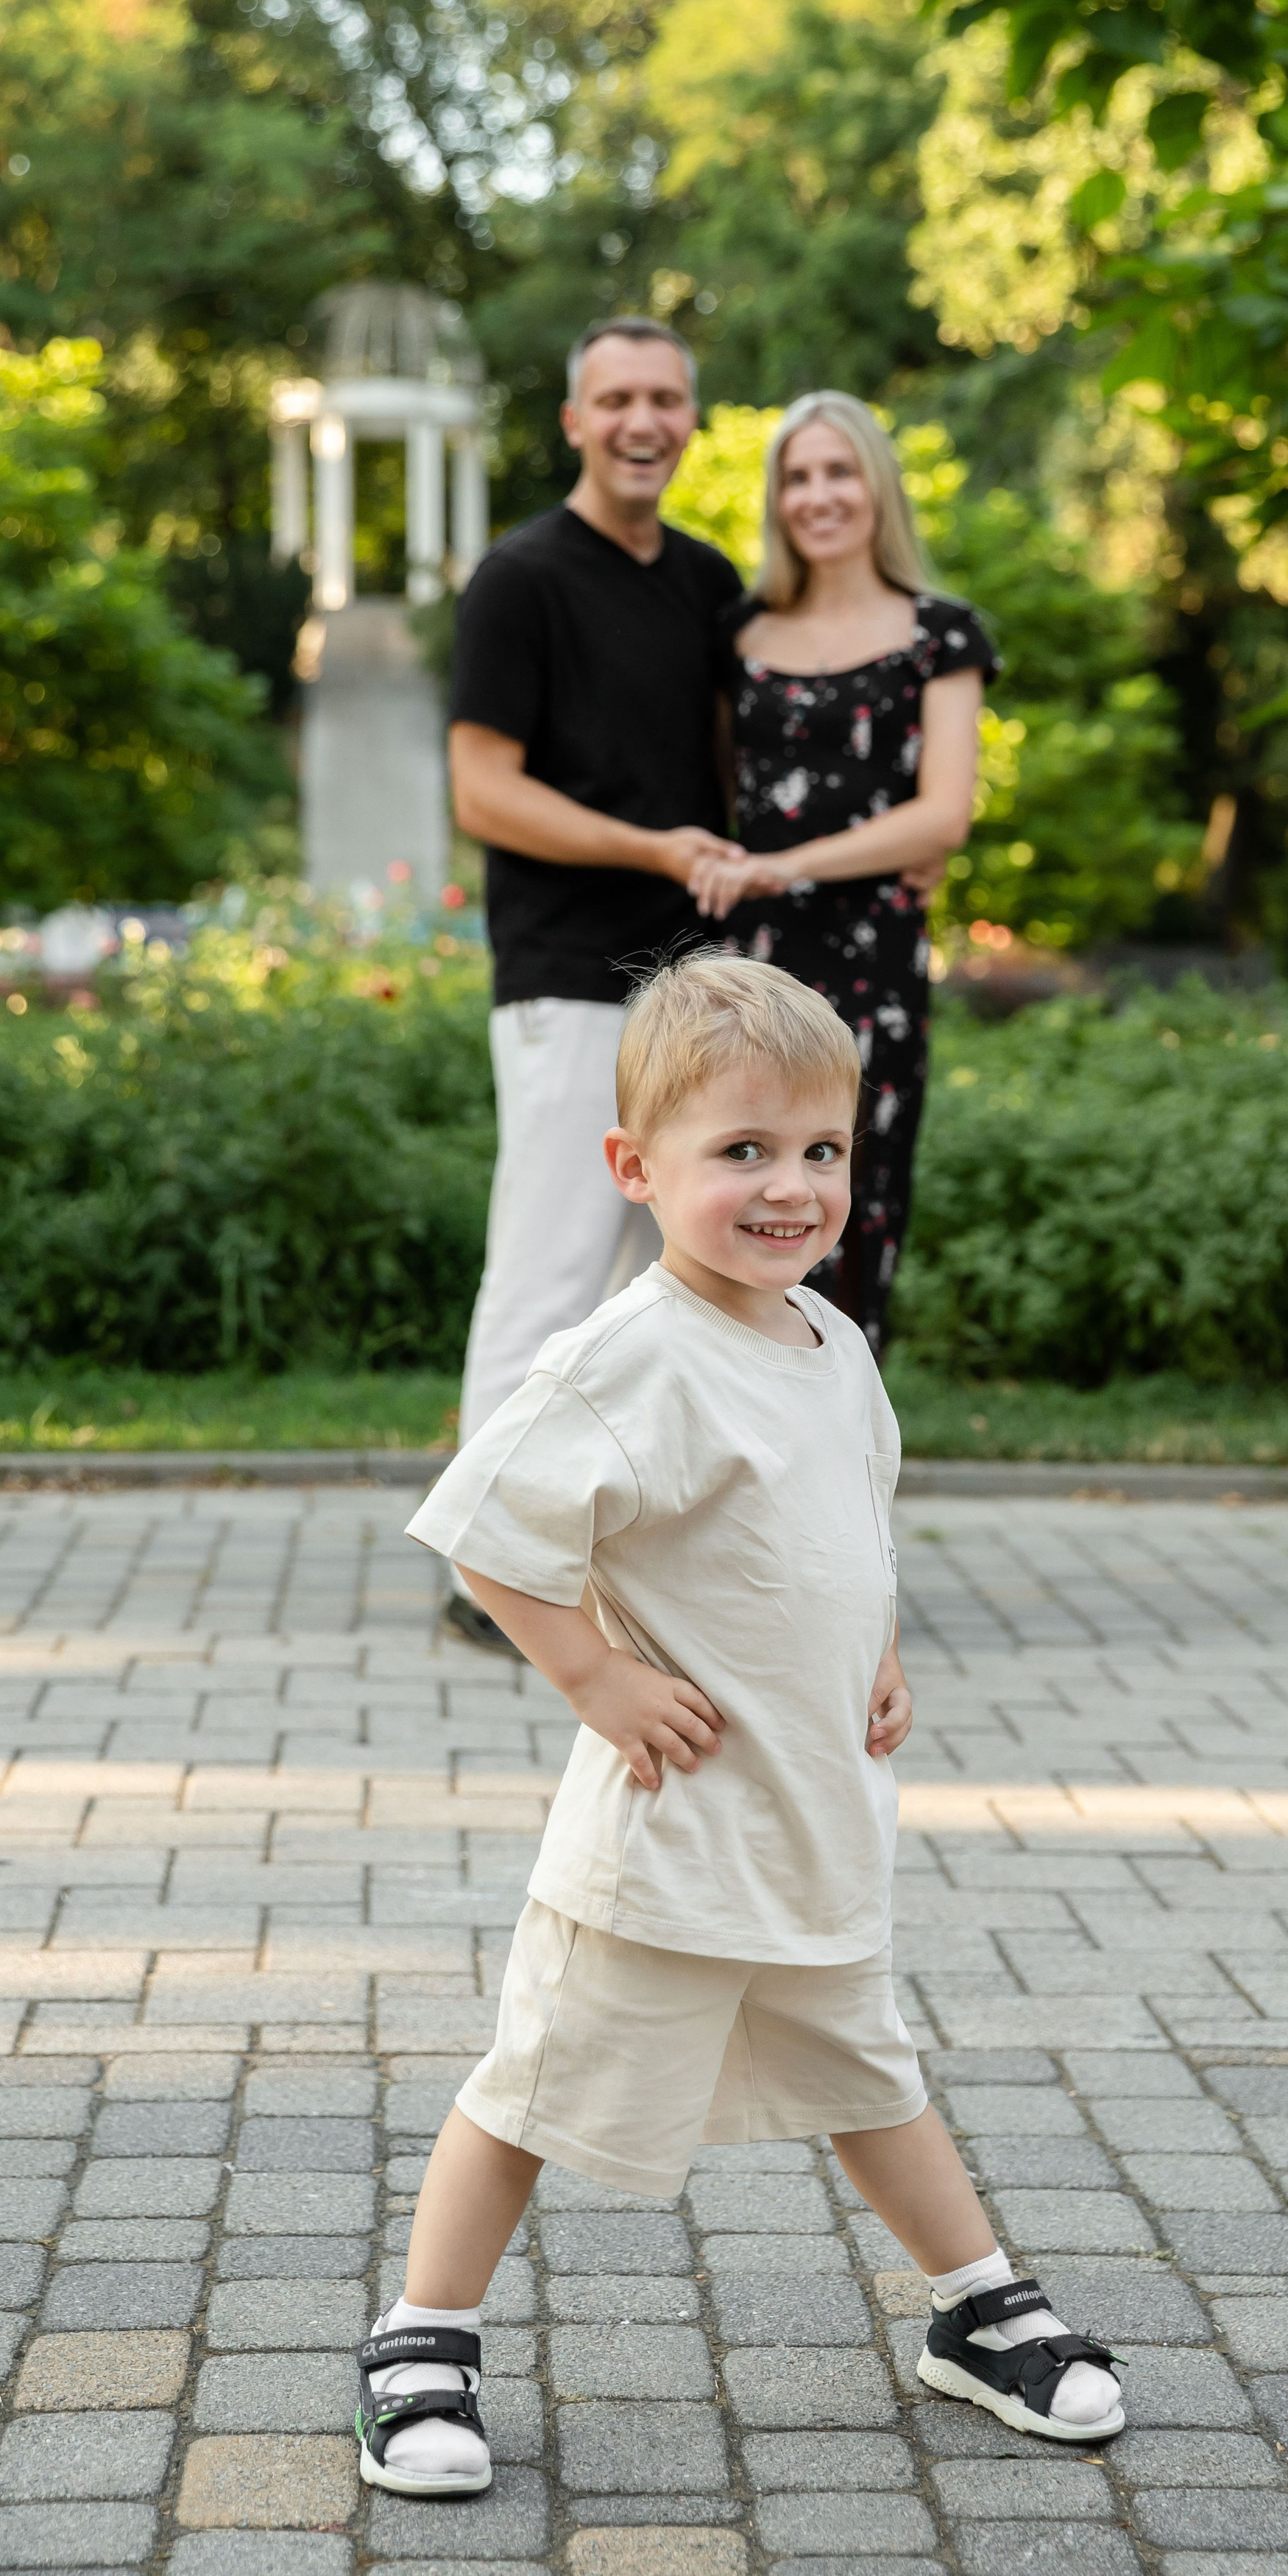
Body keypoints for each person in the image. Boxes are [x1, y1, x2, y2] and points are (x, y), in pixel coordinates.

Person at [354, 954, 1125, 2499]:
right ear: (636, 1171)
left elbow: (849, 1520)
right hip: (672, 1835)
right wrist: (597, 1681)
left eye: (820, 1151)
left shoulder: (827, 1344)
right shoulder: (624, 1358)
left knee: (867, 2067)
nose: (789, 1188)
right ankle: (420, 2338)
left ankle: (974, 2308)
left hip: (809, 1816)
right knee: (535, 2084)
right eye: (740, 1153)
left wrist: (884, 1648)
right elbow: (492, 1536)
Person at [445, 317, 745, 1646]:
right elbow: (482, 792)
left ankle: (615, 1568)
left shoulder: (710, 581)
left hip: (700, 985)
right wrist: (650, 848)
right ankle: (481, 1578)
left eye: (665, 398)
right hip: (569, 978)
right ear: (572, 420)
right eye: (615, 397)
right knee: (550, 1274)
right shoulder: (519, 580)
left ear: (691, 420)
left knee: (662, 1285)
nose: (642, 420)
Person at [689, 391, 994, 1352]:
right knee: (741, 1212)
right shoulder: (737, 638)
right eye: (798, 477)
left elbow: (944, 813)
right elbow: (715, 798)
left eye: (839, 471)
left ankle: (846, 1474)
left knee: (854, 1213)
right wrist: (760, 874)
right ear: (778, 498)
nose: (819, 495)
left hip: (875, 973)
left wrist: (789, 868)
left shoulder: (938, 635)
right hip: (751, 974)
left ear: (877, 486)